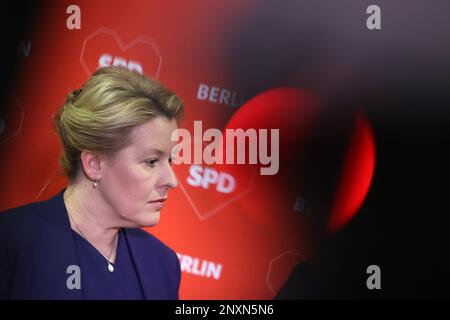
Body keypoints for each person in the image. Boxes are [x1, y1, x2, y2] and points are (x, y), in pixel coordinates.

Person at [0, 66, 184, 299]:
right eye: (151, 161)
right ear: (95, 164)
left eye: (170, 160)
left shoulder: (162, 264)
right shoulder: (11, 244)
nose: (172, 181)